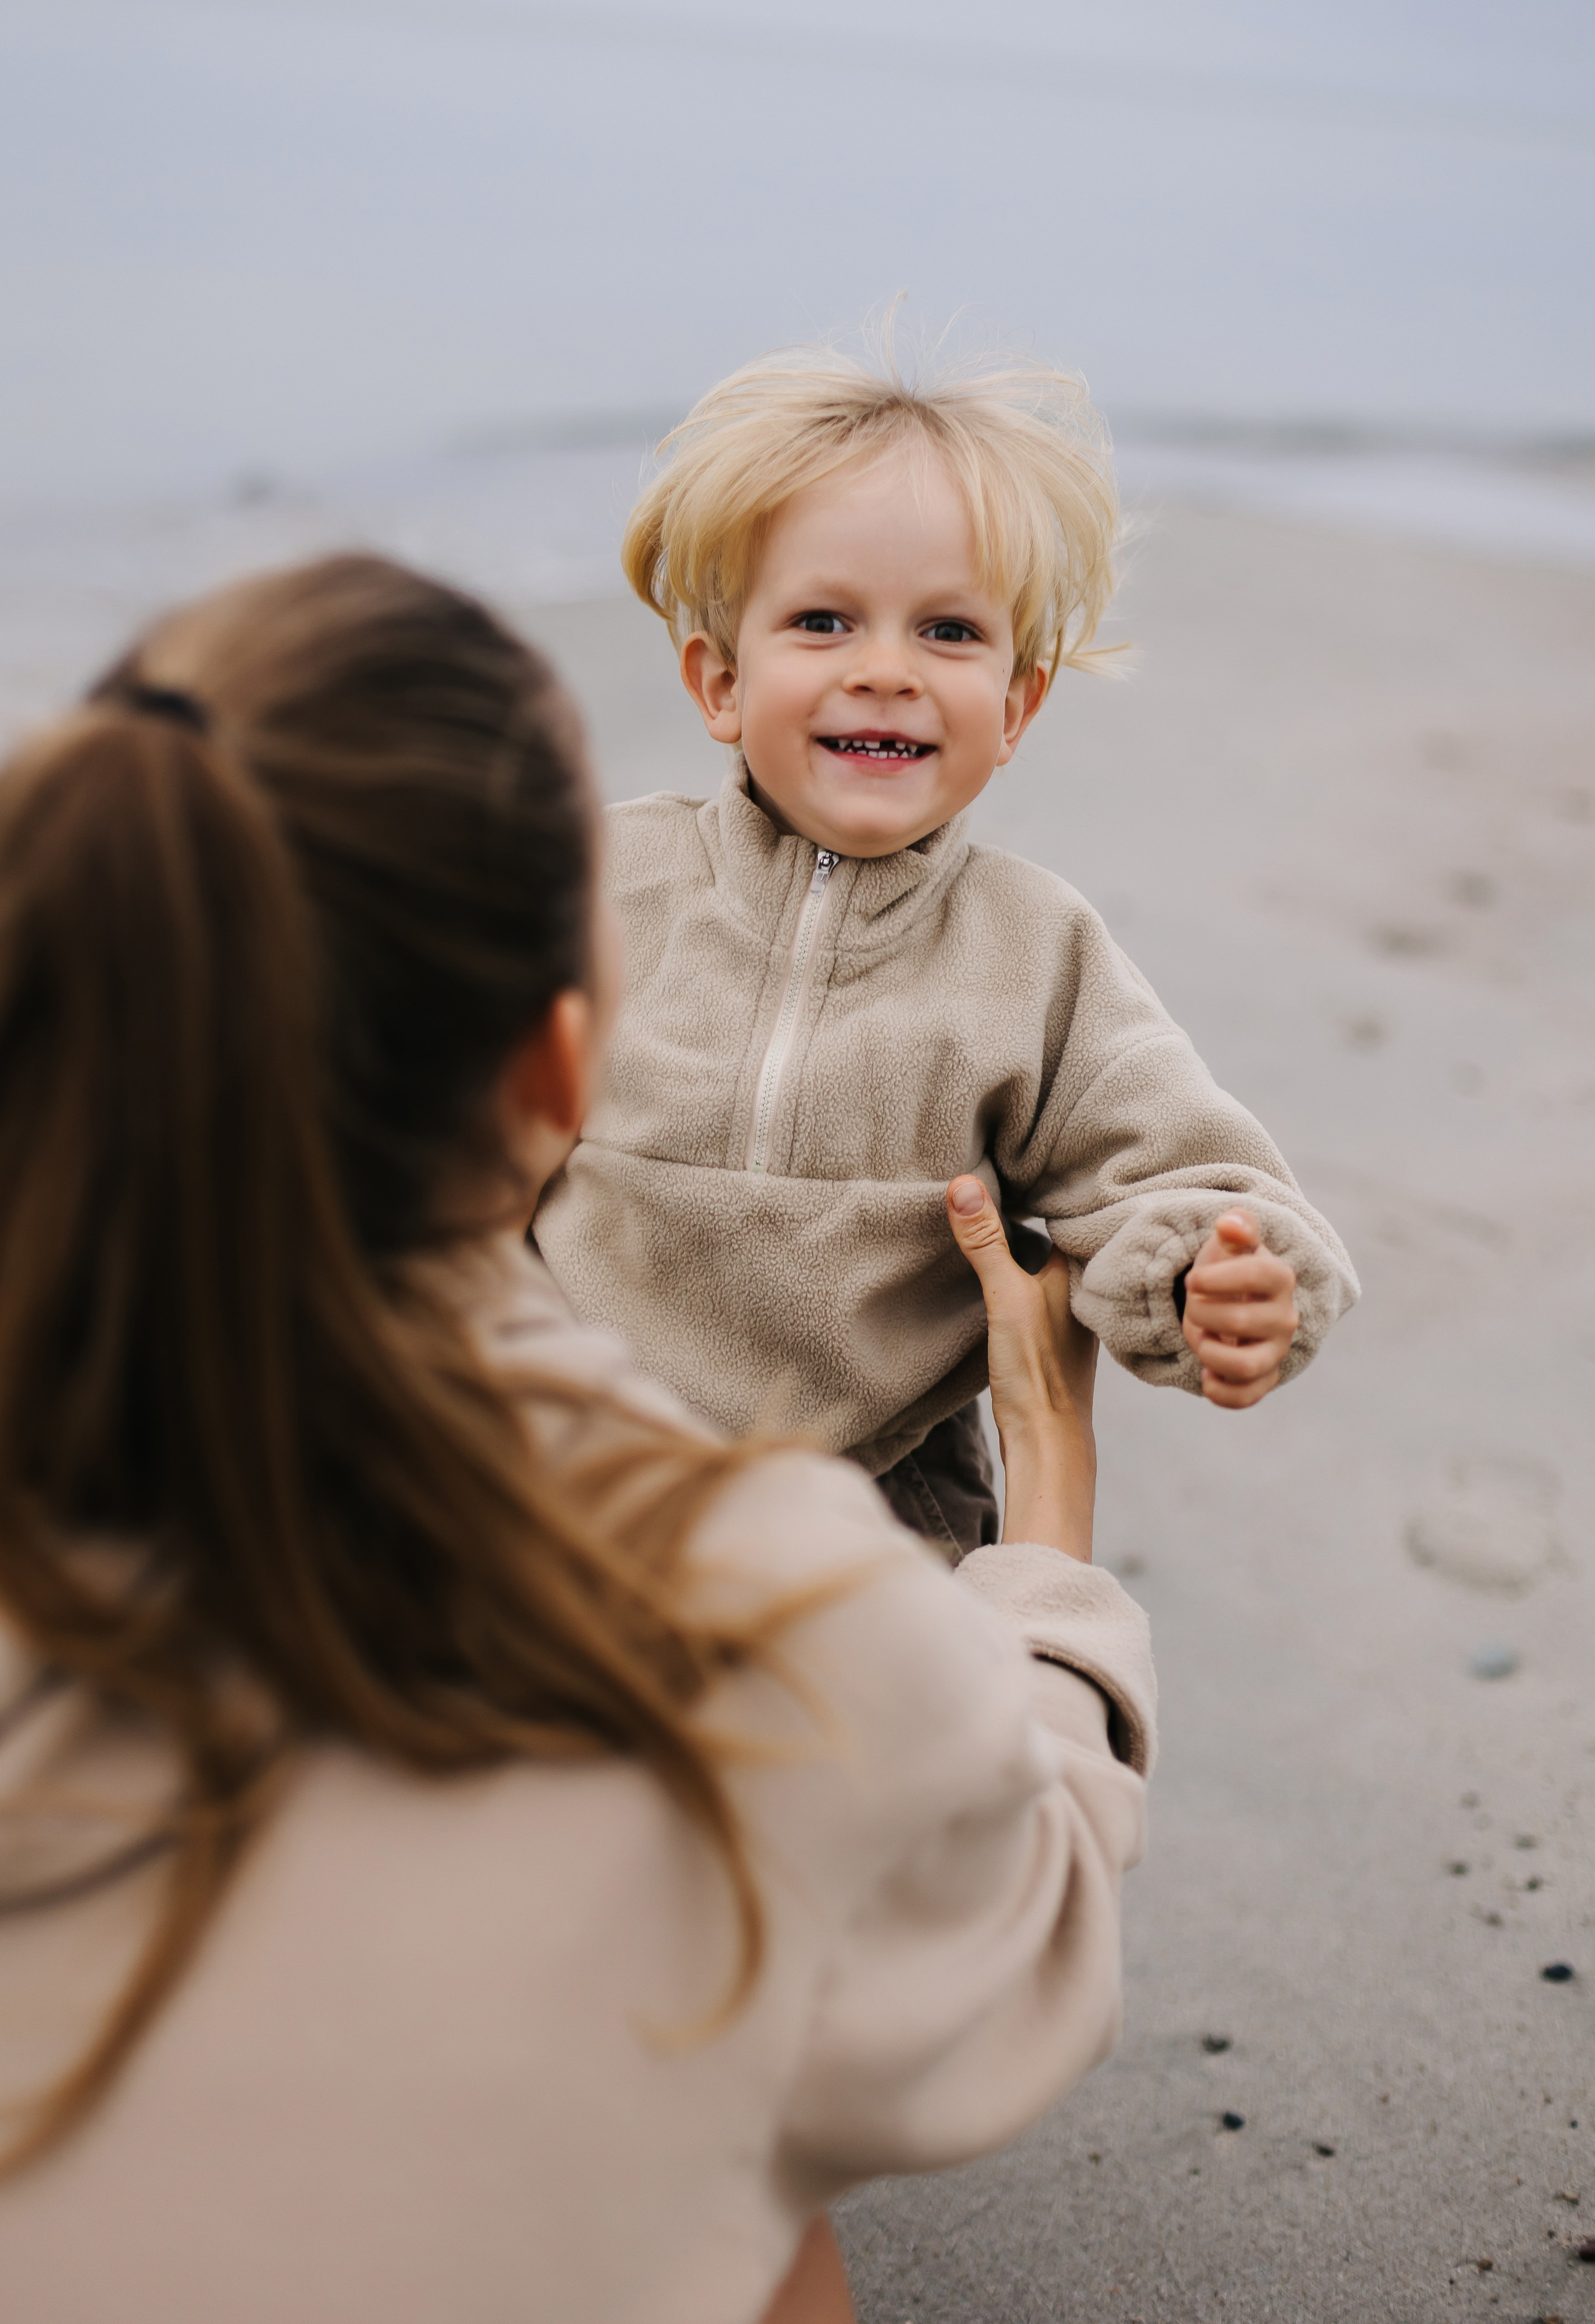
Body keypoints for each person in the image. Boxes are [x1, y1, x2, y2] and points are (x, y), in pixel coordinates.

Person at [0, 555, 1155, 2324]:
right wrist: (1050, 1537)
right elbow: (1018, 1954)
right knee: (773, 2215)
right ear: (559, 1074)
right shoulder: (766, 1602)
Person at [535, 342, 1359, 1557]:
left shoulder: (1032, 954)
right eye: (821, 620)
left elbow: (1168, 1164)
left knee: (887, 1733)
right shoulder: (599, 885)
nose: (884, 671)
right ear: (718, 682)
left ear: (1015, 706)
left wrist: (1215, 1277)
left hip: (868, 1498)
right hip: (544, 1450)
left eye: (947, 632)